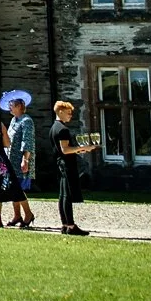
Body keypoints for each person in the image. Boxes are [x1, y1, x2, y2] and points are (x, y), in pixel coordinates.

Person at [50, 100, 98, 236]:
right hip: (67, 164)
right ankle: (70, 225)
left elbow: (62, 150)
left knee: (62, 194)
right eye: (68, 113)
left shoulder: (54, 127)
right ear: (60, 112)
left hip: (60, 162)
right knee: (67, 194)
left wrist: (78, 150)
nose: (70, 116)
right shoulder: (63, 129)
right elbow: (65, 150)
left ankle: (65, 224)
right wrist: (83, 148)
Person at [5, 97, 36, 228]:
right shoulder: (14, 120)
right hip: (11, 160)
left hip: (21, 160)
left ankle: (28, 214)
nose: (9, 107)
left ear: (18, 106)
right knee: (13, 187)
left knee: (18, 188)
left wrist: (25, 160)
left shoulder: (26, 121)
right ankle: (17, 215)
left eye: (11, 105)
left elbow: (27, 141)